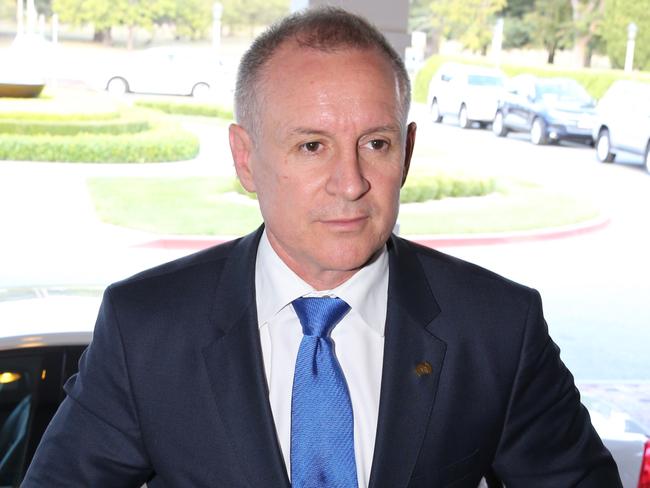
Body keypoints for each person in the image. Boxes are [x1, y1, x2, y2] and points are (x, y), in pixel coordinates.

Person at [23, 7, 621, 488]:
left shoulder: (497, 327)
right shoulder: (145, 327)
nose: (352, 182)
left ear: (406, 154)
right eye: (312, 146)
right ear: (245, 158)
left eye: (377, 143)